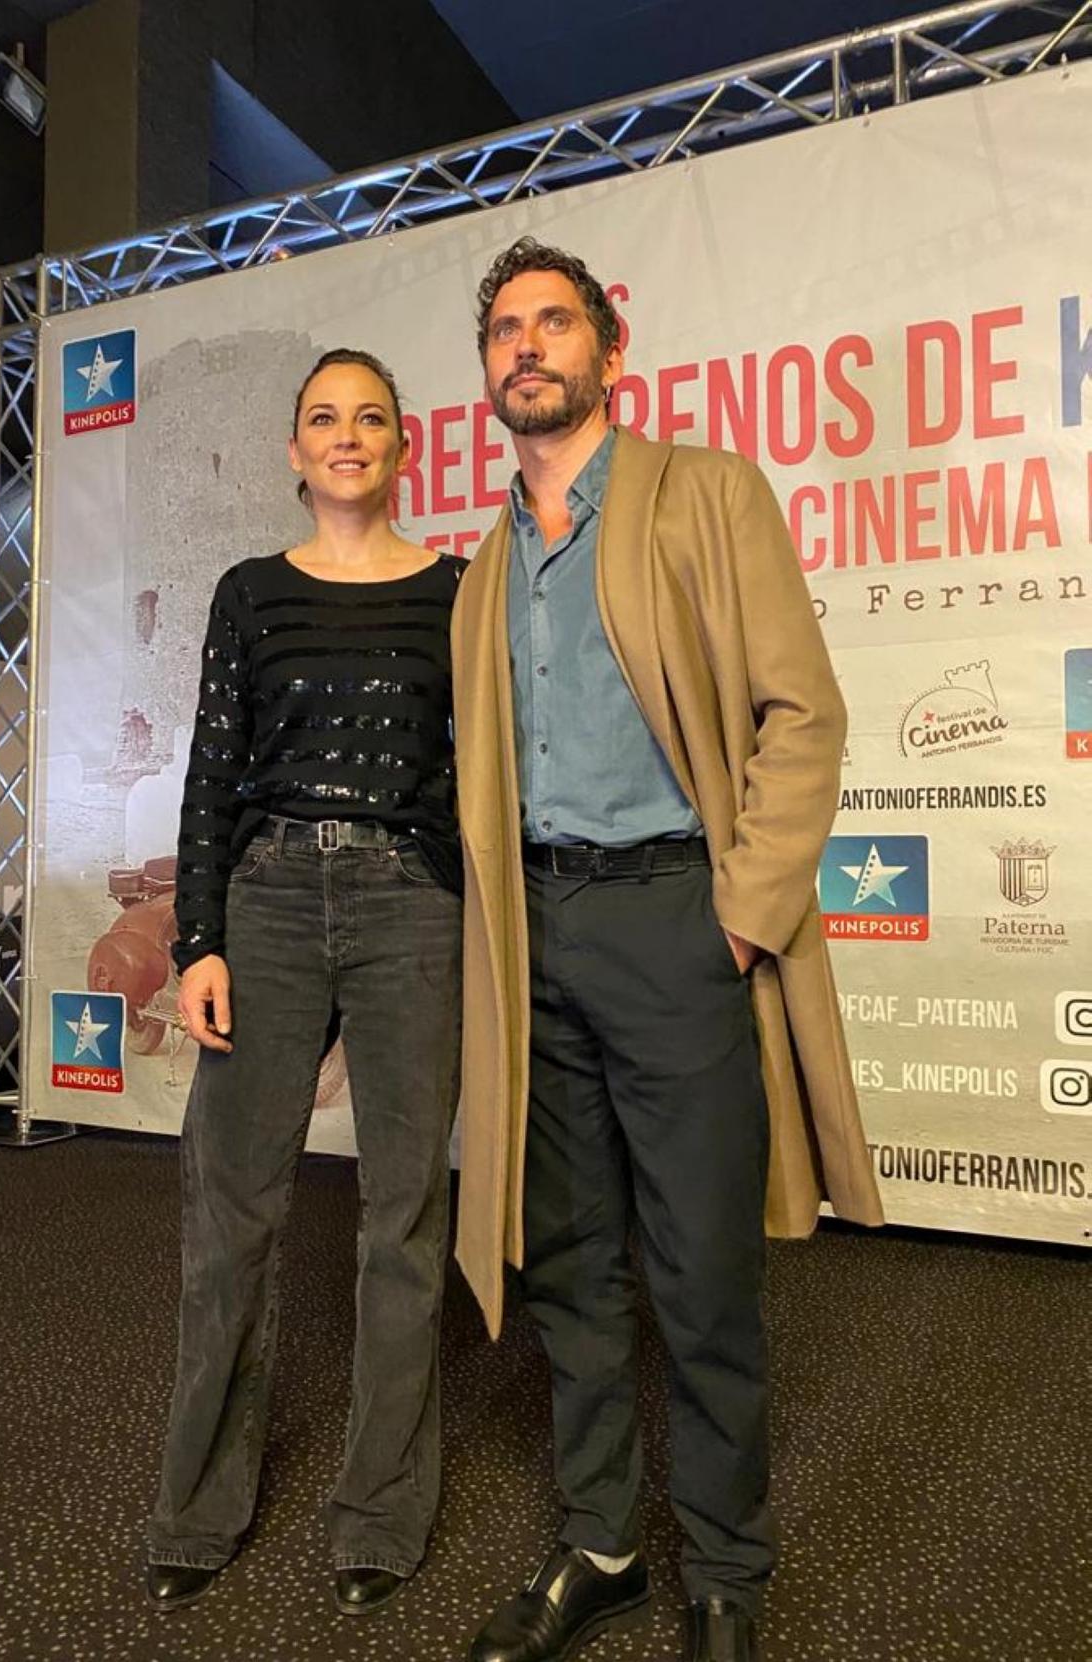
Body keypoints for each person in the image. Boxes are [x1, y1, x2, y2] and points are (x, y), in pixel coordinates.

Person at [450, 238, 884, 1662]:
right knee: (574, 1266)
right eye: (506, 329)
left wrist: (743, 913)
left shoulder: (704, 493)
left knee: (701, 1271)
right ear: (489, 371)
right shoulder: (489, 565)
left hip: (674, 923)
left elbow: (800, 713)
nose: (529, 347)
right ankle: (606, 1544)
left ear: (609, 351)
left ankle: (730, 1574)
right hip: (539, 932)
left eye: (554, 323)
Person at [145, 348, 464, 1620]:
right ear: (295, 449)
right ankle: (197, 1506)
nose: (346, 436)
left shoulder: (454, 591)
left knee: (404, 1220)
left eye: (369, 418)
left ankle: (380, 1511)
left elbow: (479, 768)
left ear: (402, 446)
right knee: (230, 1221)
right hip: (267, 903)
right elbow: (213, 768)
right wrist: (197, 939)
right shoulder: (248, 593)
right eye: (323, 418)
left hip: (410, 908)